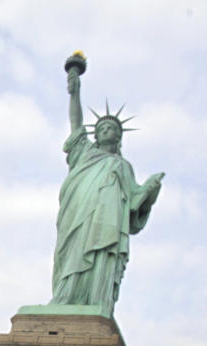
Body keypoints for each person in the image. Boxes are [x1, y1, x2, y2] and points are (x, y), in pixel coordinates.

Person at [51, 64, 164, 317]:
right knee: (72, 255)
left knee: (102, 256)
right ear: (96, 135)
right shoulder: (85, 153)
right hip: (78, 214)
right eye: (101, 128)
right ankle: (65, 297)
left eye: (112, 128)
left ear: (119, 137)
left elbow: (134, 204)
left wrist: (150, 191)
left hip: (107, 223)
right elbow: (75, 122)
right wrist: (74, 92)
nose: (106, 131)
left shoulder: (123, 166)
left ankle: (97, 302)